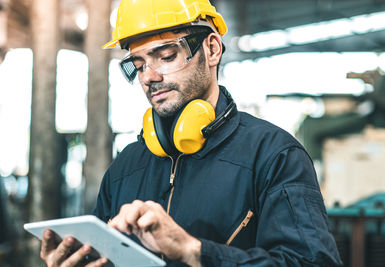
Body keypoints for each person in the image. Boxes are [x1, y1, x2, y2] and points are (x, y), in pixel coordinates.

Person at [39, 0, 342, 266]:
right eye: (139, 64)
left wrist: (193, 250)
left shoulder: (274, 155)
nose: (150, 77)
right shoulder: (124, 167)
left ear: (212, 49)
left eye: (166, 56)